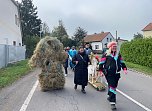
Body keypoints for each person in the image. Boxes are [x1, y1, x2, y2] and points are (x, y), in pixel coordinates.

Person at [99, 41, 127, 110]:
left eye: (115, 47)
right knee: (113, 86)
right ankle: (112, 103)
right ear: (110, 47)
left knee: (114, 86)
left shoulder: (118, 54)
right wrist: (101, 71)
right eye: (113, 47)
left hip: (116, 73)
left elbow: (122, 62)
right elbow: (101, 63)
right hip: (109, 73)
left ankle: (109, 95)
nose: (114, 48)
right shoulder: (106, 54)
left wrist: (124, 68)